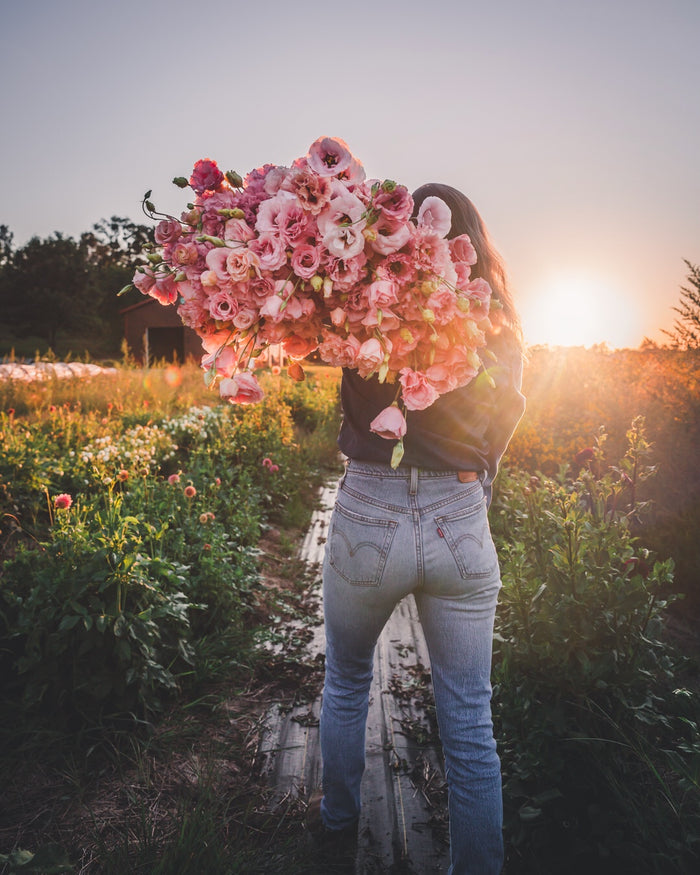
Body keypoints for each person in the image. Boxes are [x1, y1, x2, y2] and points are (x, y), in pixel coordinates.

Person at [309, 183, 526, 874]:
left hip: (369, 506)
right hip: (460, 514)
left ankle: (337, 826)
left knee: (346, 678)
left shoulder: (362, 304)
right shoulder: (496, 326)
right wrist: (476, 480)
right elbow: (508, 414)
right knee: (468, 718)